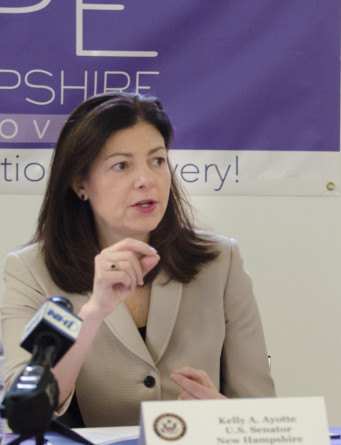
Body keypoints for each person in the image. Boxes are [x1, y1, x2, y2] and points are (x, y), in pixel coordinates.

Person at [1, 92, 276, 427]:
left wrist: (222, 415)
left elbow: (260, 408)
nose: (146, 179)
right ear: (79, 182)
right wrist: (92, 313)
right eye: (122, 165)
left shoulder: (220, 261)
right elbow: (25, 410)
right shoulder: (28, 272)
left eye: (157, 160)